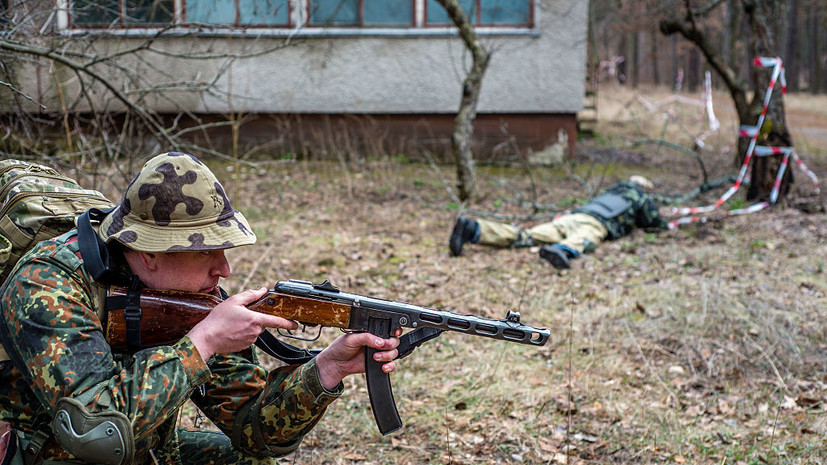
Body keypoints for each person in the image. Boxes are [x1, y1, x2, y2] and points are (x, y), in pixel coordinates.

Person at [0, 152, 400, 465]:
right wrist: (202, 343)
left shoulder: (187, 295)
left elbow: (256, 429)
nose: (223, 269)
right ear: (148, 251)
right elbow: (96, 431)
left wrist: (327, 368)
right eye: (206, 250)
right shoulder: (46, 285)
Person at [449, 176, 667, 269]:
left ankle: (475, 228)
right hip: (596, 223)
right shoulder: (640, 197)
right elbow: (654, 223)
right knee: (583, 239)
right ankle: (563, 250)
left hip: (573, 216)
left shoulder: (613, 190)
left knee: (528, 235)